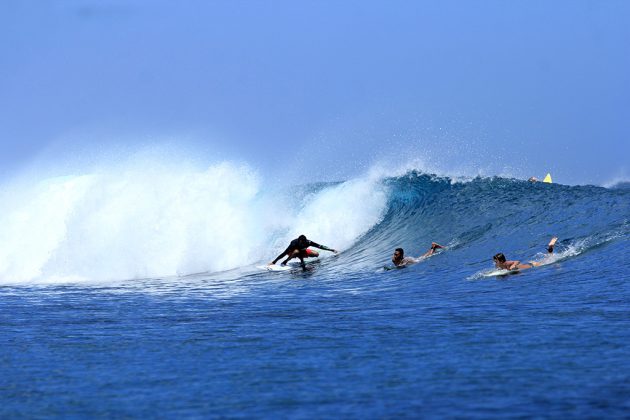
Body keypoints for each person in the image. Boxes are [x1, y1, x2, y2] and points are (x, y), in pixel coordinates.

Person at [269, 235, 337, 270]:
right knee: (296, 251)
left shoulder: (308, 242)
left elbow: (320, 246)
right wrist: (274, 262)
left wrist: (331, 250)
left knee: (316, 254)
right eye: (300, 242)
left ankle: (301, 260)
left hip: (302, 252)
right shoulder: (294, 243)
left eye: (302, 242)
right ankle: (285, 261)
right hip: (292, 253)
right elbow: (284, 253)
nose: (300, 243)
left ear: (305, 241)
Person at [493, 237, 558, 271]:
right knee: (548, 259)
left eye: (496, 260)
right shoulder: (498, 265)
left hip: (533, 265)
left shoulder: (507, 263)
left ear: (501, 261)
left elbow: (517, 261)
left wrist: (513, 266)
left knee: (549, 260)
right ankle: (550, 247)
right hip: (528, 265)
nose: (495, 262)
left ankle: (551, 246)